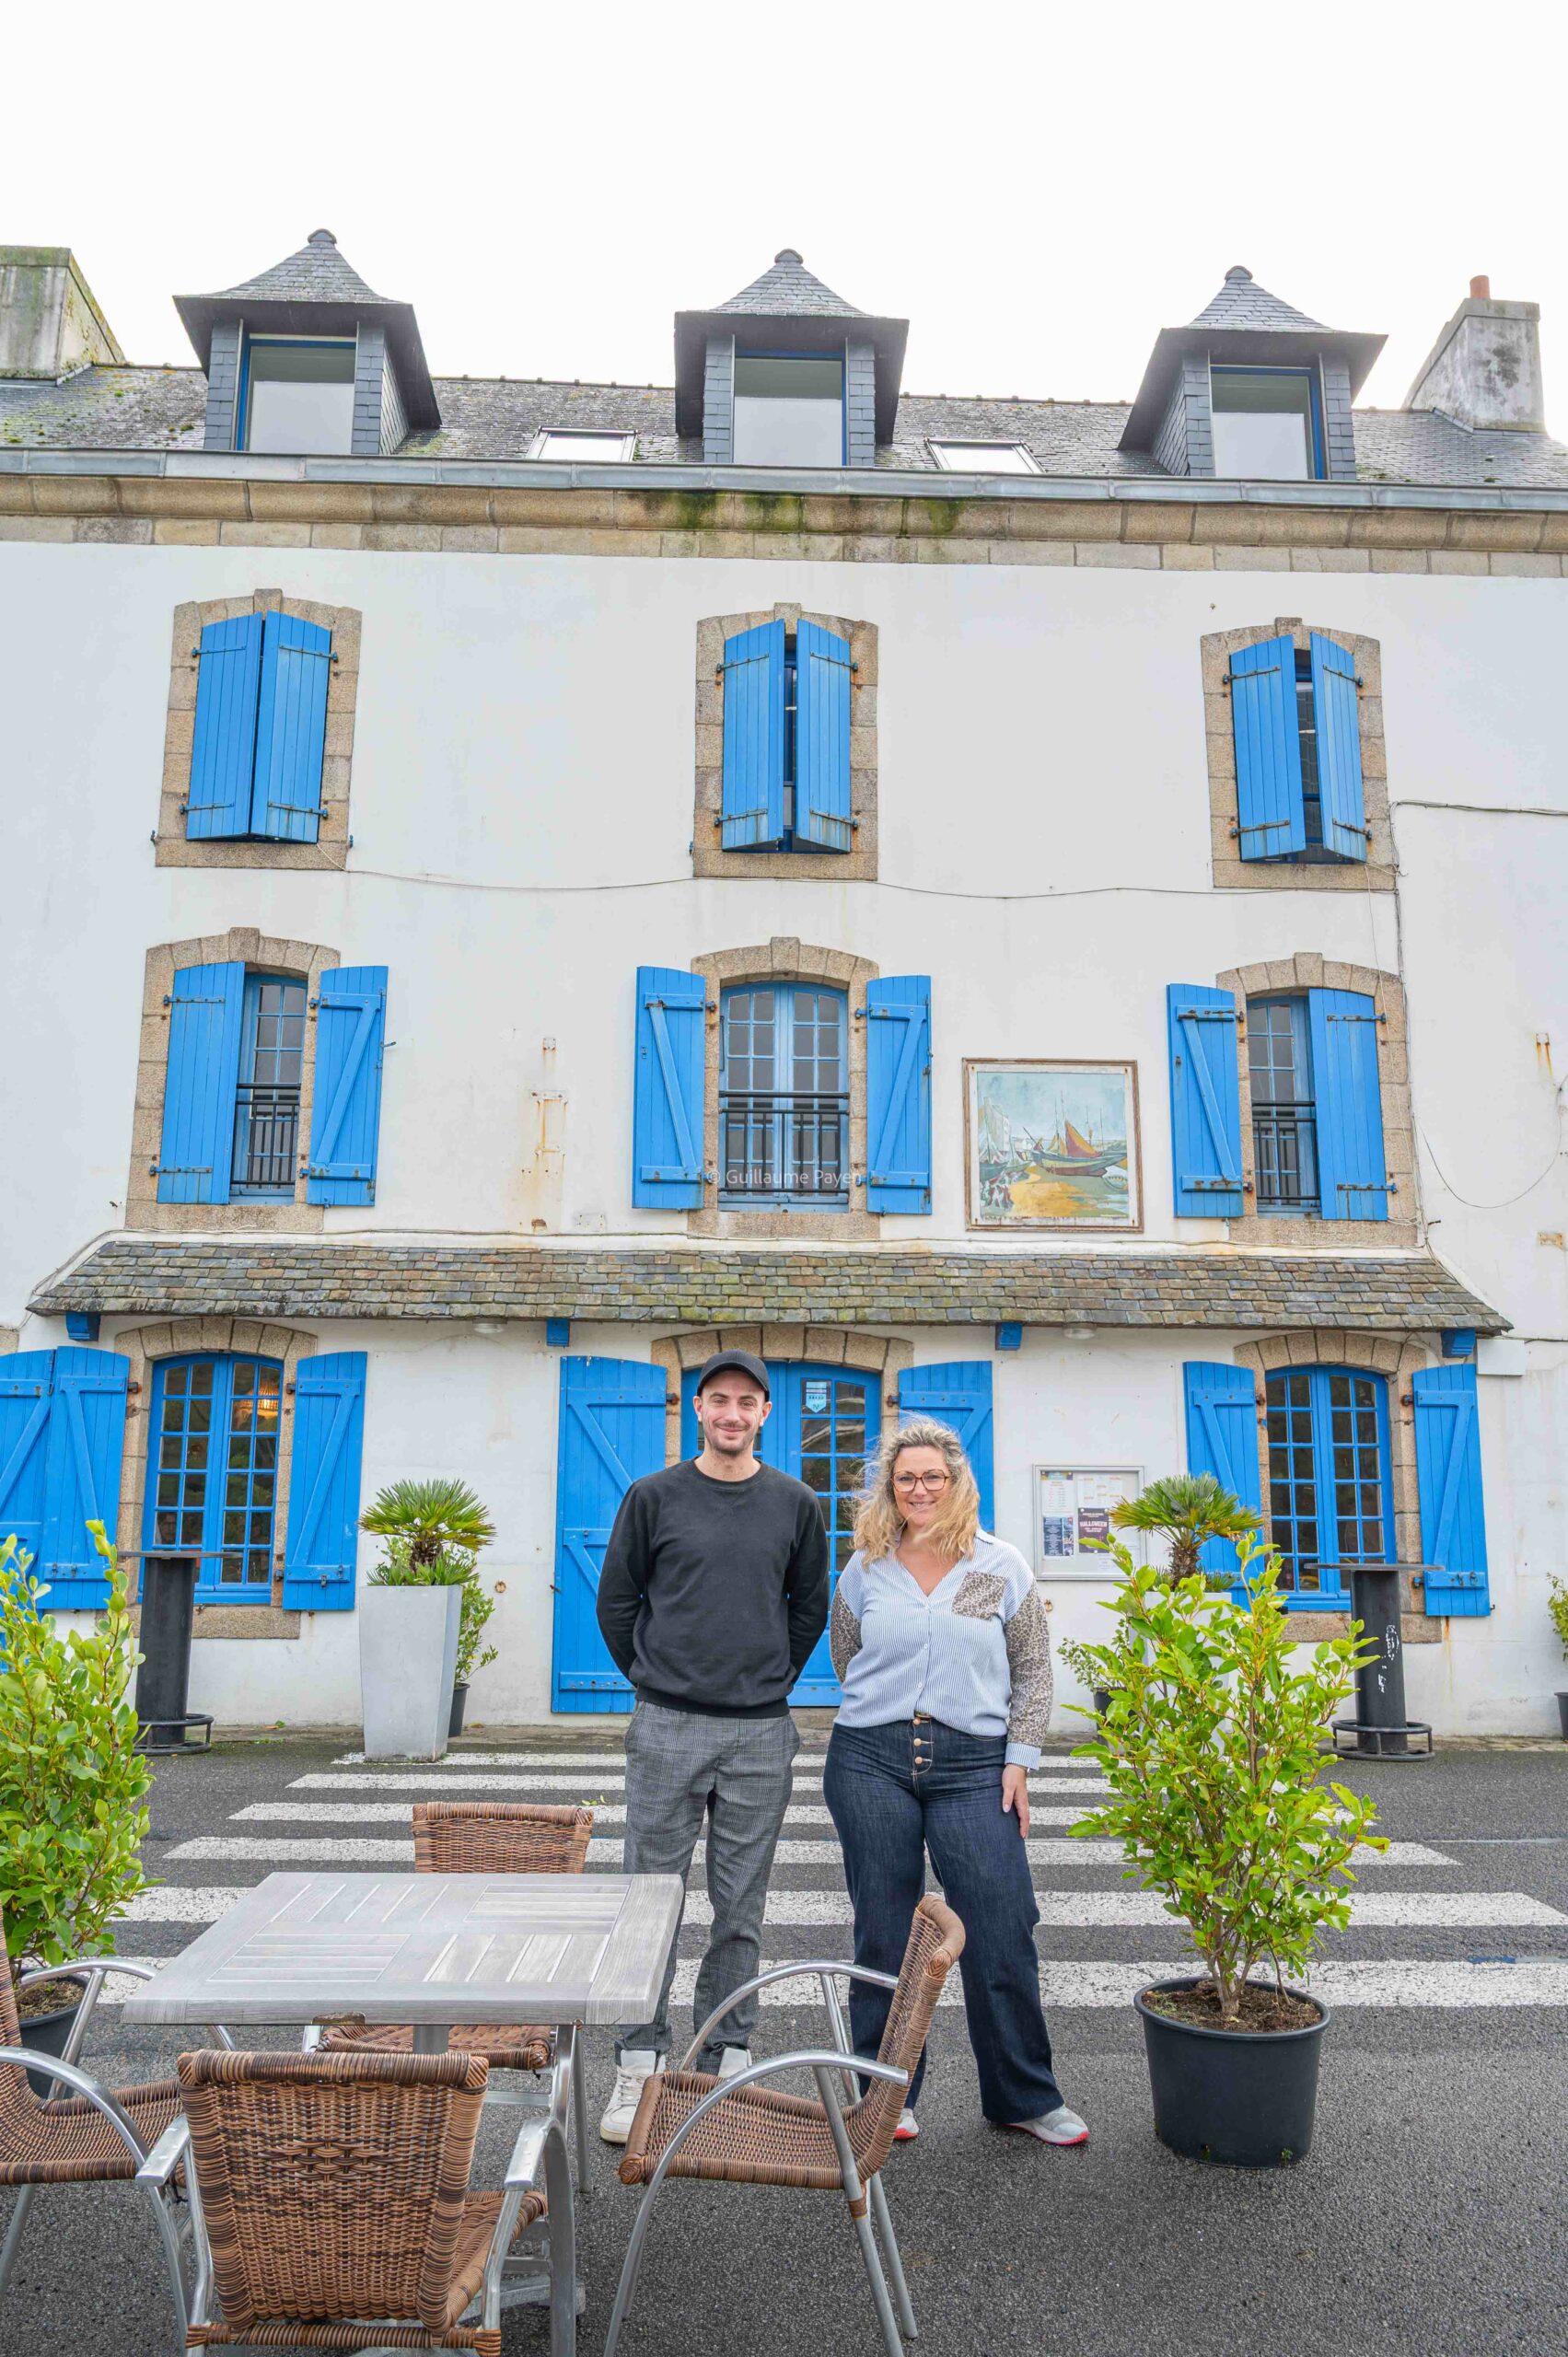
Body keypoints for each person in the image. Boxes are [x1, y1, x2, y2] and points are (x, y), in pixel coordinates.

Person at [822, 1415, 1088, 2147]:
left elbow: (1033, 1668)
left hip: (974, 1767)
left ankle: (1022, 2095)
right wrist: (892, 1705)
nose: (918, 1489)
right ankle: (886, 2095)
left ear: (956, 1483)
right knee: (882, 1931)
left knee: (1002, 1924)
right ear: (889, 1487)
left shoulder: (1000, 1566)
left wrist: (1019, 1760)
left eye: (931, 1477)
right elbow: (847, 1655)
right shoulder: (864, 1567)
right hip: (869, 1760)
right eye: (905, 1478)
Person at [594, 1348, 830, 2142]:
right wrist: (653, 1675)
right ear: (696, 1409)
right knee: (646, 1900)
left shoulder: (795, 1503)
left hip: (760, 1731)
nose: (732, 1414)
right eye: (718, 1400)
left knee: (741, 1905)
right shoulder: (653, 1496)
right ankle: (637, 2064)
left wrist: (767, 1679)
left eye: (747, 1403)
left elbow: (808, 1608)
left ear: (766, 1414)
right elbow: (617, 1600)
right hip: (665, 1724)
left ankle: (726, 2056)